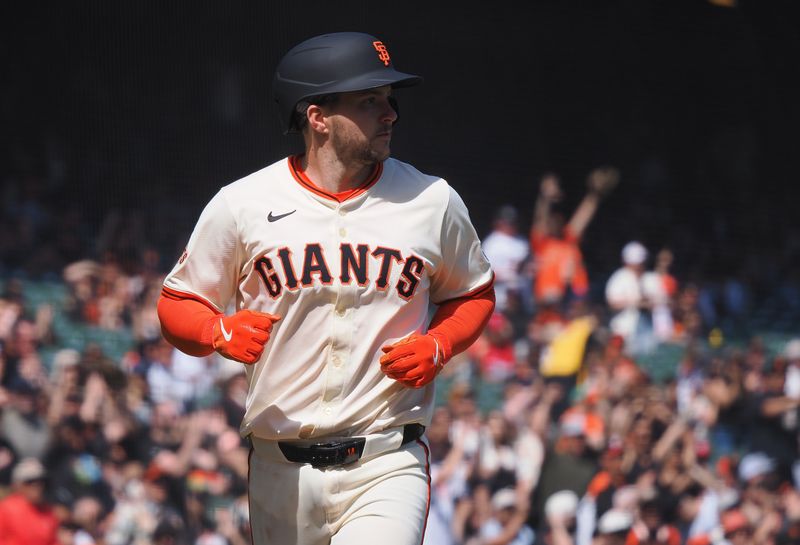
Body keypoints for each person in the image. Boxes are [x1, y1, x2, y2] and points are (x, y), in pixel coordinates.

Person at [156, 31, 495, 545]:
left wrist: (439, 343)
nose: (390, 113)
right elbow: (179, 302)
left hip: (385, 460)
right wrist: (217, 330)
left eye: (389, 99)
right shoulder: (243, 203)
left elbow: (473, 292)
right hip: (279, 470)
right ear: (316, 116)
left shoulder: (432, 200)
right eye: (369, 101)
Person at [529, 167, 618, 310]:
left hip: (574, 301)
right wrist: (545, 198)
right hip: (548, 303)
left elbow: (583, 215)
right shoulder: (542, 243)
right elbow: (540, 219)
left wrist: (594, 194)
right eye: (552, 220)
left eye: (558, 220)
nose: (554, 223)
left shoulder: (569, 239)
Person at [0, 458, 60, 545]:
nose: (36, 486)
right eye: (30, 482)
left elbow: (54, 540)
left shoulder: (49, 512)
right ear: (17, 485)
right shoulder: (6, 509)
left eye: (41, 481)